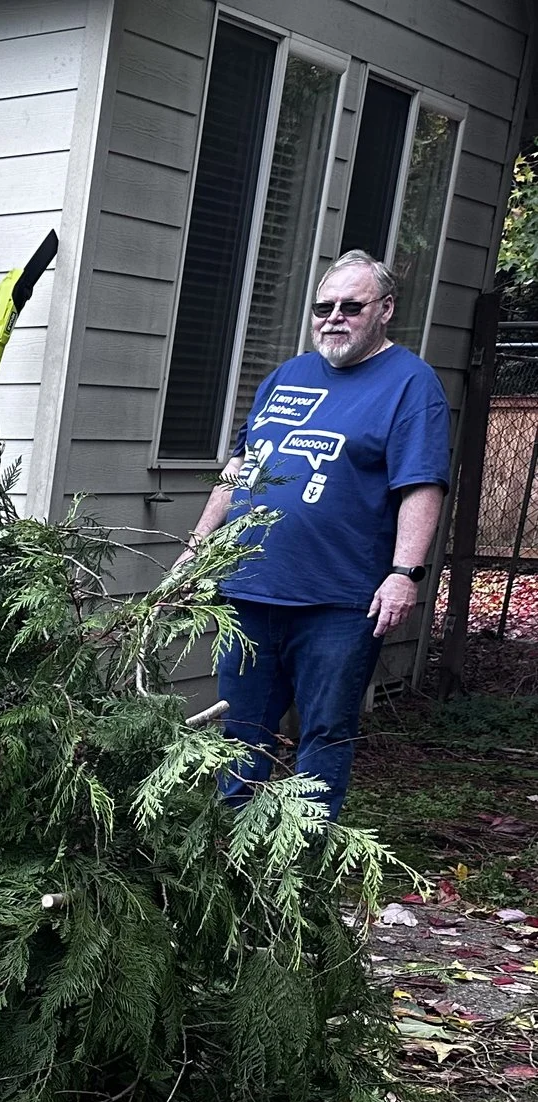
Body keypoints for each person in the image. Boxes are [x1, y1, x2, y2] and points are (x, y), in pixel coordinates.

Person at [178, 249, 451, 821]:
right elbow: (241, 466)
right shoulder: (286, 376)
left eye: (352, 307)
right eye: (323, 307)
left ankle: (302, 855)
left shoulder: (410, 383)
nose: (335, 318)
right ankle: (235, 850)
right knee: (239, 728)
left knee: (324, 731)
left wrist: (404, 574)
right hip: (248, 591)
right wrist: (199, 545)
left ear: (385, 310)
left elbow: (421, 485)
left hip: (338, 602)